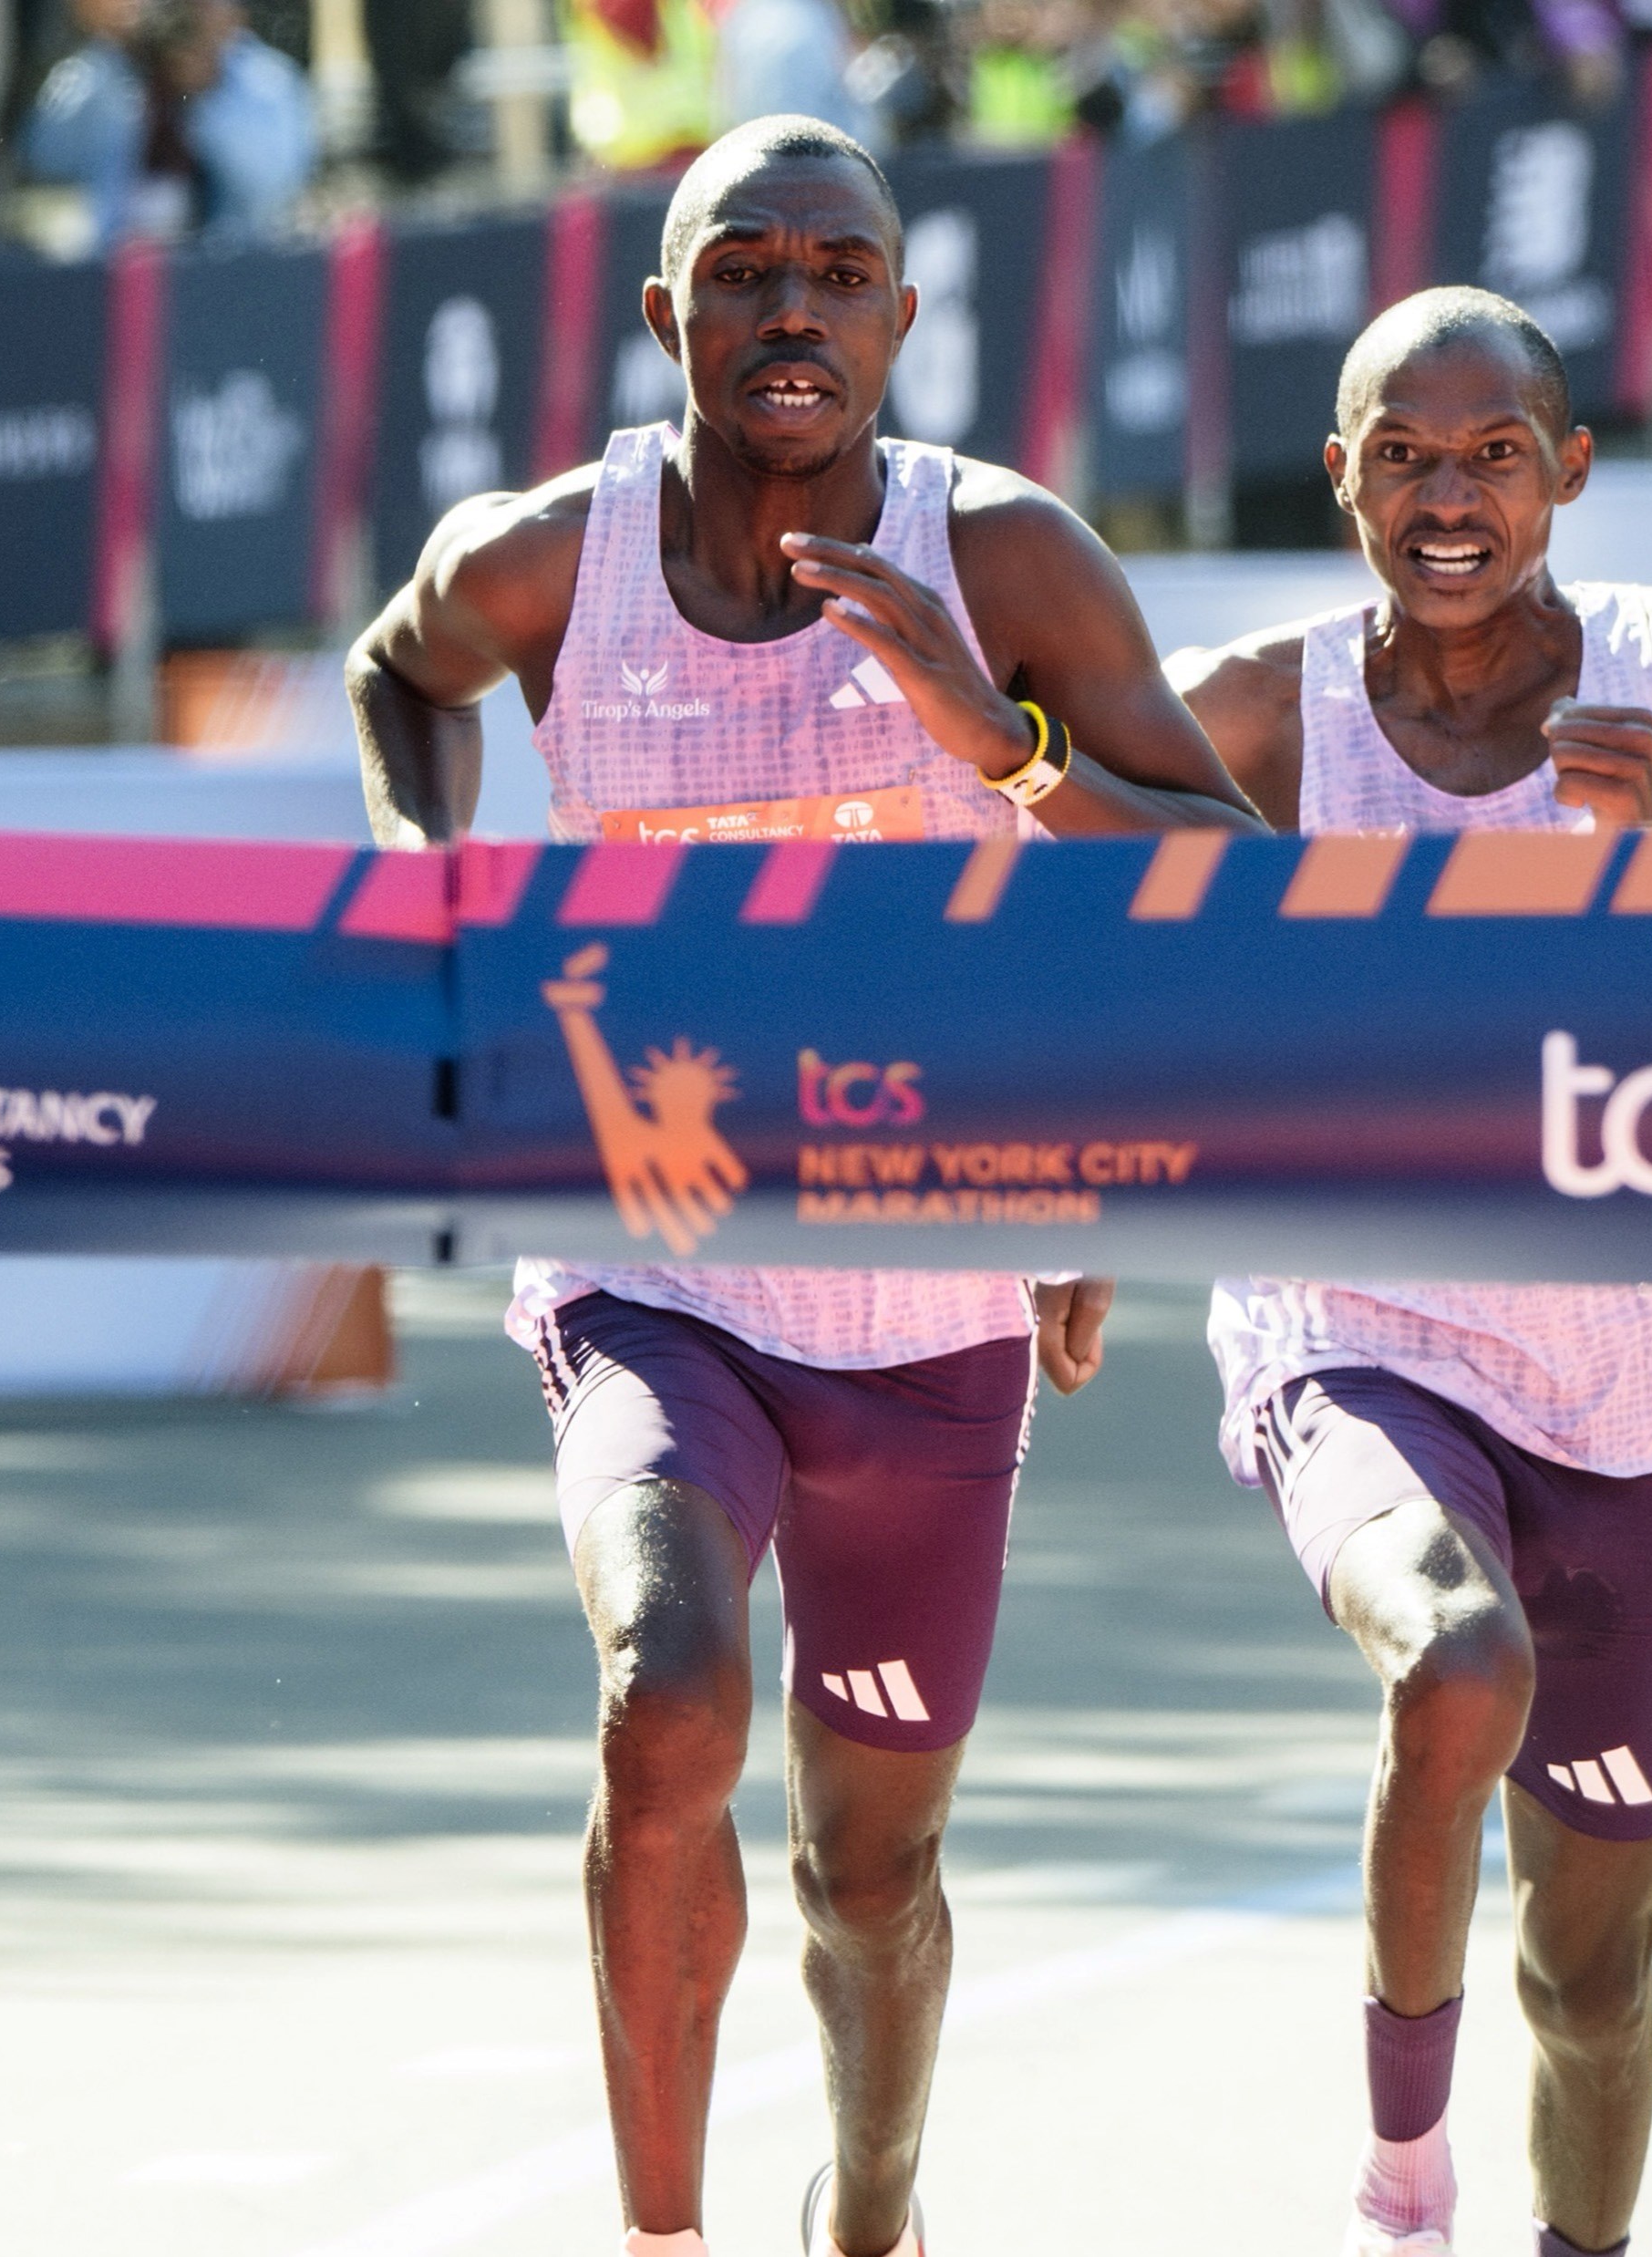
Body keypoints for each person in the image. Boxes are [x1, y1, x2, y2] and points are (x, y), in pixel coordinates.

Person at [341, 115, 1263, 2257]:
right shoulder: (542, 556)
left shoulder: (1007, 555)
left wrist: (1000, 739)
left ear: (900, 321)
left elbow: (1239, 876)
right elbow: (402, 672)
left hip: (927, 1300)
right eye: (739, 269)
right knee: (666, 1690)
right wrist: (432, 891)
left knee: (869, 1869)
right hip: (645, 1261)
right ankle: (660, 2234)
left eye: (836, 272)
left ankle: (868, 2208)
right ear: (662, 313)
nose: (788, 308)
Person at [1167, 286, 1652, 2257]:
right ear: (1341, 470)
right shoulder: (1260, 712)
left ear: (1570, 469)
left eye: (1494, 454)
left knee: (1592, 1967)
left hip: (1625, 1376)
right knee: (1456, 1660)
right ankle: (1400, 2176)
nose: (1448, 497)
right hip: (1354, 1324)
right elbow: (1103, 986)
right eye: (1404, 455)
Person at [12, 0, 321, 249]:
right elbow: (44, 154)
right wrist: (115, 60)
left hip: (232, 268)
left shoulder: (270, 82)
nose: (185, 18)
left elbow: (271, 190)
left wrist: (208, 95)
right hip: (122, 266)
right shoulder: (103, 68)